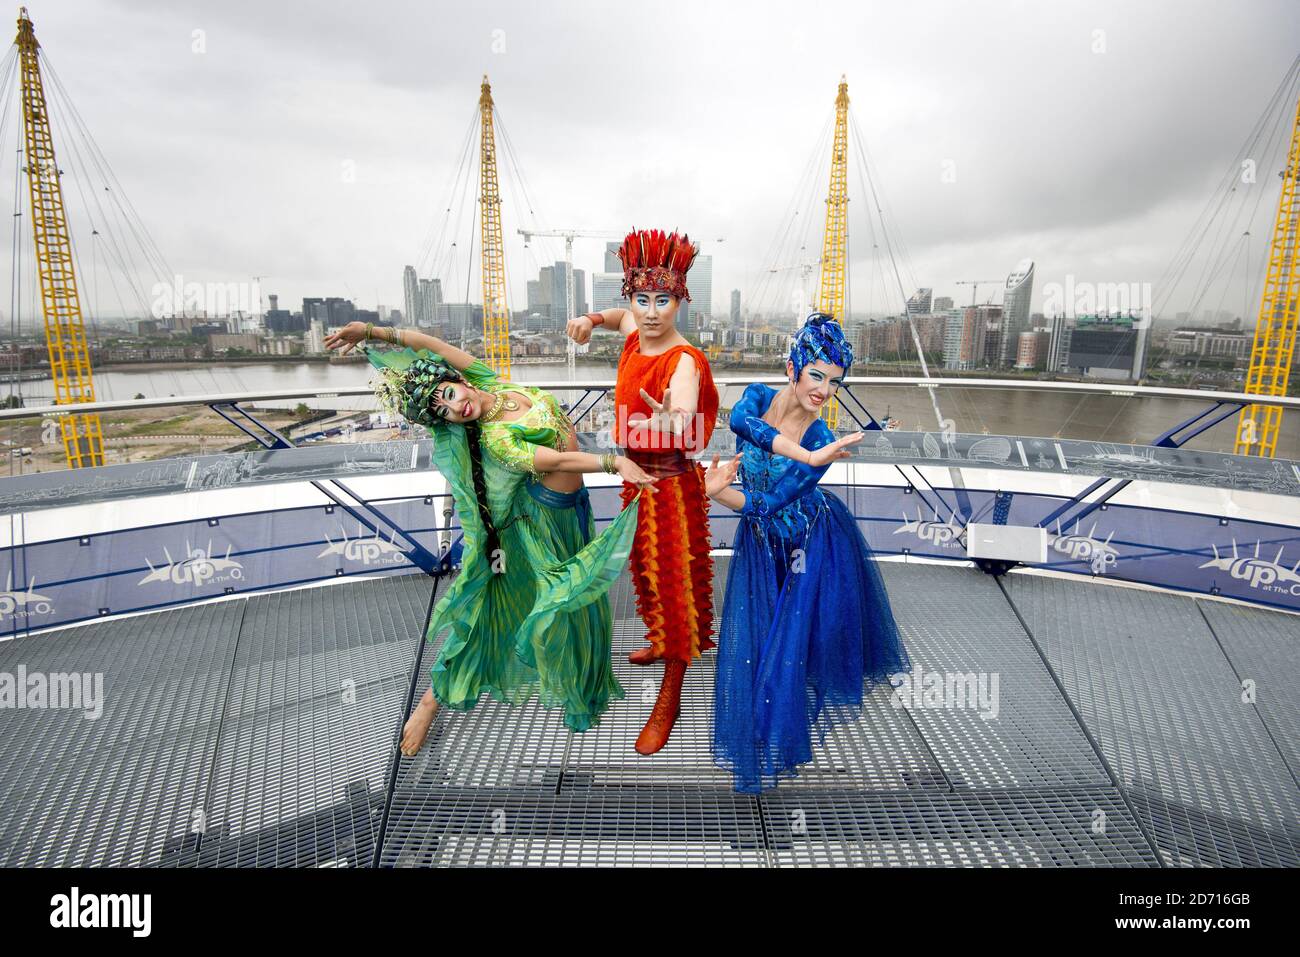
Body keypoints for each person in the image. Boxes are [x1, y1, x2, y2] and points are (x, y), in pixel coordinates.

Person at [324, 320, 656, 755]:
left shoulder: (491, 383)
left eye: (448, 395)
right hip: (542, 527)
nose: (455, 408)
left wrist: (371, 331)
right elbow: (555, 457)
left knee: (574, 607)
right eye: (443, 412)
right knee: (497, 614)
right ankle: (431, 701)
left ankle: (574, 677)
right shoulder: (497, 440)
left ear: (458, 379)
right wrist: (613, 464)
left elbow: (432, 343)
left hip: (574, 513)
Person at [702, 312, 911, 793]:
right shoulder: (757, 396)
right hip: (761, 546)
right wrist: (799, 459)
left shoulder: (821, 439)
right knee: (759, 643)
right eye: (816, 375)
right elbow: (740, 422)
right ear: (793, 368)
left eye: (835, 382)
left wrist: (723, 493)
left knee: (790, 649)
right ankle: (762, 729)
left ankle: (776, 737)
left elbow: (767, 503)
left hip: (807, 545)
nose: (823, 391)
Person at [566, 227, 719, 755]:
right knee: (644, 572)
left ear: (681, 300)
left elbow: (683, 410)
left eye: (664, 300)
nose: (652, 312)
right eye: (642, 298)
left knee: (675, 583)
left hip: (673, 486)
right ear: (631, 296)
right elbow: (617, 320)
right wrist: (588, 320)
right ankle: (658, 642)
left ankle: (671, 694)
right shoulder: (635, 328)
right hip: (636, 480)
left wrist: (673, 419)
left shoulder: (683, 360)